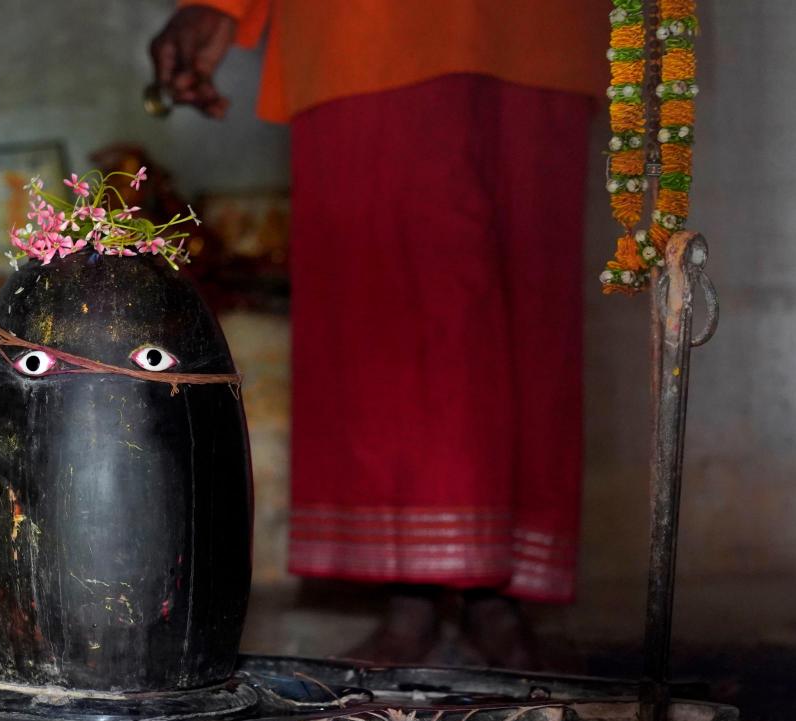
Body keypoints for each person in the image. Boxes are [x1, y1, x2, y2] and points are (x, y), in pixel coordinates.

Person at [150, 2, 601, 668]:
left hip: (528, 28)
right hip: (368, 26)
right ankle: (411, 589)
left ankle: (498, 591)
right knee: (382, 303)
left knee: (528, 292)